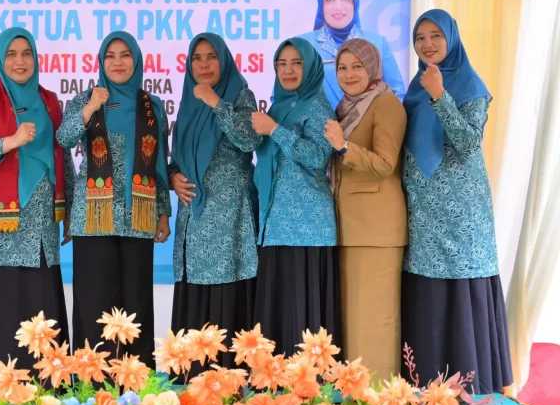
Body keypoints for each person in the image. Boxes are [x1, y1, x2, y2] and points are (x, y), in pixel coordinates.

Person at [400, 9, 512, 393]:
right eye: (420, 38)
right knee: (427, 281)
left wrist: (440, 96)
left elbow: (466, 144)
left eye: (435, 36)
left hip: (460, 207)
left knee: (459, 279)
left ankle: (468, 379)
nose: (428, 44)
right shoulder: (415, 87)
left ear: (452, 38)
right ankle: (426, 376)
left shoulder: (469, 85)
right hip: (421, 206)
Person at [0, 28, 74, 370]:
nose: (19, 61)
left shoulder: (50, 101)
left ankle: (40, 377)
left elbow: (62, 156)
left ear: (35, 58)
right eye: (11, 54)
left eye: (26, 53)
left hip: (39, 223)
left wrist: (68, 209)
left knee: (34, 296)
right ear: (0, 58)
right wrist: (9, 141)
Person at [57, 31, 171, 367]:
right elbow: (64, 137)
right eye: (110, 56)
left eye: (125, 55)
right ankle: (94, 388)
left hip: (139, 215)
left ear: (136, 60)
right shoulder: (86, 98)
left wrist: (163, 212)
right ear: (101, 62)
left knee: (135, 304)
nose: (118, 62)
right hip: (94, 217)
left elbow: (159, 163)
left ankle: (136, 383)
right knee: (94, 305)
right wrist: (91, 108)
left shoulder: (152, 105)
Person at [169, 33, 260, 369]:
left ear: (224, 61)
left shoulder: (240, 95)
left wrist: (215, 102)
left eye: (211, 57)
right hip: (194, 218)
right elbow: (178, 156)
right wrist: (172, 176)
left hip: (230, 219)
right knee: (196, 301)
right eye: (197, 58)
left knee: (230, 294)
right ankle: (193, 382)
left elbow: (248, 139)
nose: (204, 64)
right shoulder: (186, 103)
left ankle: (231, 384)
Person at [323, 38, 407, 379]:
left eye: (357, 65)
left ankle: (379, 400)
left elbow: (386, 164)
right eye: (342, 67)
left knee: (376, 321)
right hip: (350, 227)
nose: (349, 73)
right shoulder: (347, 107)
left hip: (376, 230)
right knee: (355, 320)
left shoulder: (386, 104)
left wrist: (343, 146)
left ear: (372, 66)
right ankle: (355, 398)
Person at [251, 37, 339, 356]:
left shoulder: (318, 107)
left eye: (296, 63)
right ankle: (275, 384)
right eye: (282, 64)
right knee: (279, 309)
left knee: (301, 315)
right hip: (276, 225)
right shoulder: (279, 105)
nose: (288, 70)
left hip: (307, 229)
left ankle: (306, 386)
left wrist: (275, 130)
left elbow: (317, 157)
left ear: (311, 67)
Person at [297, 0, 406, 107]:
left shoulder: (377, 43)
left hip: (367, 127)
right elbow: (286, 97)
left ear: (355, 3)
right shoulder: (303, 45)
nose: (338, 6)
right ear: (321, 4)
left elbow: (397, 95)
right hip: (318, 127)